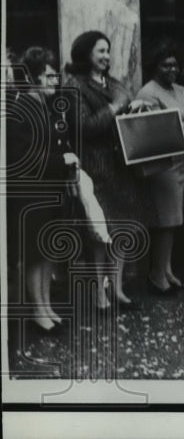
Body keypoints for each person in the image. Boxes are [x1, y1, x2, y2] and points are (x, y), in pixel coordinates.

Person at [63, 31, 149, 311]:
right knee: (100, 233)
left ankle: (118, 288)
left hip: (120, 164)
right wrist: (115, 107)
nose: (106, 56)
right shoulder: (75, 86)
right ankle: (100, 294)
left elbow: (121, 111)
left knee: (122, 228)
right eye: (101, 51)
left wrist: (133, 108)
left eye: (108, 51)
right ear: (85, 53)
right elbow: (83, 126)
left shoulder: (114, 83)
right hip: (96, 165)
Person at [7, 48, 77, 333]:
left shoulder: (44, 106)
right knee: (35, 253)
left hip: (50, 190)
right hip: (31, 195)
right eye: (49, 76)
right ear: (33, 78)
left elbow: (57, 143)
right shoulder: (22, 108)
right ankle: (37, 310)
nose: (55, 81)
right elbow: (24, 157)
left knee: (47, 251)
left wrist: (66, 160)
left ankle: (46, 305)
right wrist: (62, 160)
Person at [136, 44, 184, 293]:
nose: (172, 69)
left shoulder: (176, 89)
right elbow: (154, 130)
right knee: (164, 220)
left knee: (173, 220)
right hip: (162, 164)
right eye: (166, 65)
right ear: (154, 67)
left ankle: (167, 270)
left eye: (174, 65)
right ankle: (156, 275)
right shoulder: (147, 93)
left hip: (180, 160)